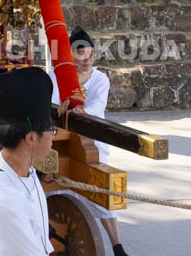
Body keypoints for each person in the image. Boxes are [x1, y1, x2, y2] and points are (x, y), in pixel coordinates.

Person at [47, 27, 129, 256]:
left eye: (92, 54)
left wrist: (77, 109)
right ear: (71, 55)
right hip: (59, 141)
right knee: (53, 189)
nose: (89, 59)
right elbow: (53, 106)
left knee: (102, 192)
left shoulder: (101, 79)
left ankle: (117, 246)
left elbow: (96, 109)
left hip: (91, 142)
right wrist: (68, 109)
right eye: (83, 54)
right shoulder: (55, 76)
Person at [0, 67, 57, 256]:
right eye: (51, 130)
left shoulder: (25, 171)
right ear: (31, 138)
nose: (54, 136)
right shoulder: (4, 203)